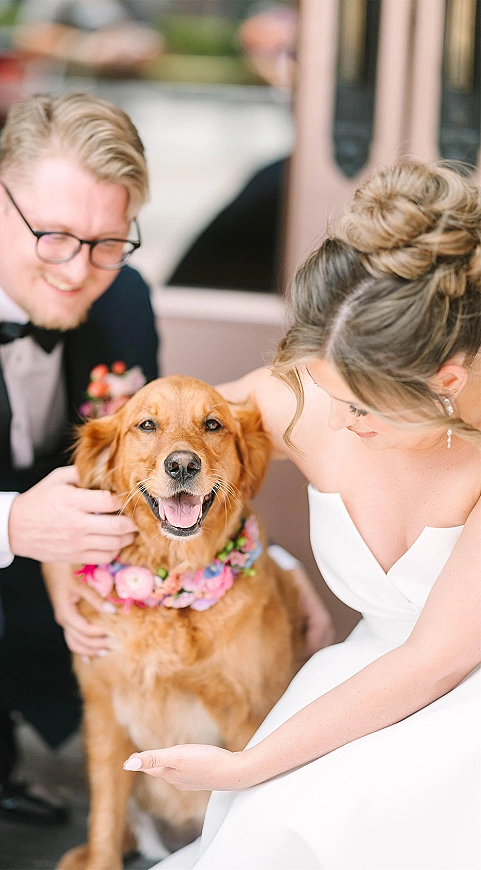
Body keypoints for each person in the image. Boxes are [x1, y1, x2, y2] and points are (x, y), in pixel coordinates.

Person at [123, 159, 481, 869]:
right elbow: (143, 450)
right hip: (363, 683)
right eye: (326, 389)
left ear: (447, 382)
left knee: (360, 810)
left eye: (359, 406)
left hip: (458, 705)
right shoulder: (315, 397)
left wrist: (243, 766)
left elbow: (436, 660)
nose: (332, 419)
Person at [0, 91, 159, 851]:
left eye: (108, 243)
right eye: (54, 237)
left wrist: (253, 558)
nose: (80, 271)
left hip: (27, 566)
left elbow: (129, 462)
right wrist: (13, 523)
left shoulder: (127, 300)